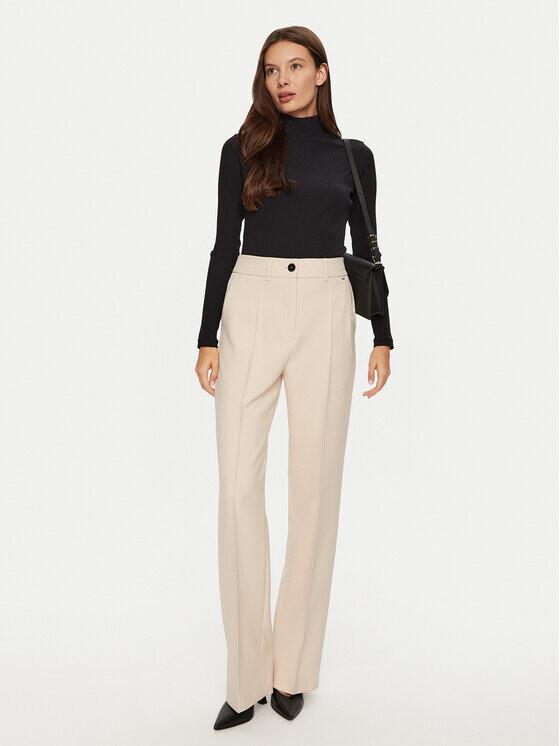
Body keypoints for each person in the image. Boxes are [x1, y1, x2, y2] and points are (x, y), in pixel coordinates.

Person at [195, 26, 394, 730]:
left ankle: (291, 674)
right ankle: (245, 677)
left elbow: (368, 246)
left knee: (315, 490)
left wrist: (383, 334)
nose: (282, 79)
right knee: (236, 490)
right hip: (250, 302)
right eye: (272, 69)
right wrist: (206, 334)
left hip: (326, 308)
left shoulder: (353, 157)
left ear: (321, 73)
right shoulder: (242, 148)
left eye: (295, 66)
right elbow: (223, 243)